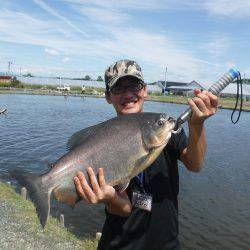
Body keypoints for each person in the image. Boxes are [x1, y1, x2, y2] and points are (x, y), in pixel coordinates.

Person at [73, 59, 218, 249]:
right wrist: (110, 198)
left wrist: (197, 125)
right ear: (108, 96)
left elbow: (195, 164)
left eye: (135, 85)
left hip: (166, 243)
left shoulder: (164, 128)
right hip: (119, 244)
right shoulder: (101, 141)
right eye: (119, 88)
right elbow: (124, 208)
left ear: (145, 90)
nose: (128, 94)